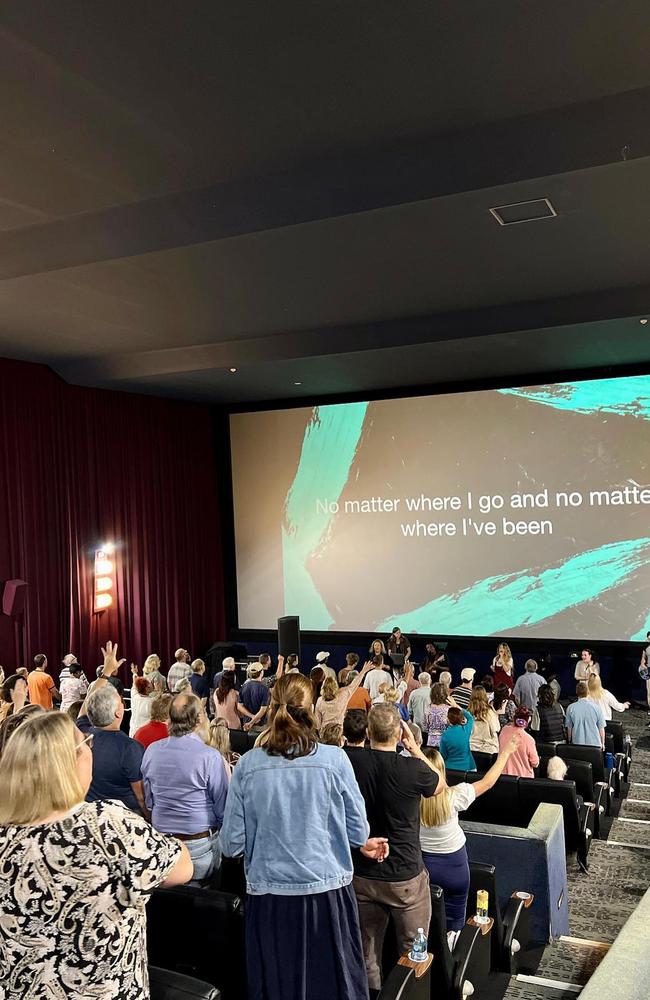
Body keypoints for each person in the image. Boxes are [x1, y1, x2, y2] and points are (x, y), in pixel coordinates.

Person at [0, 710, 192, 1000]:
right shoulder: (108, 824)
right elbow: (182, 869)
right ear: (69, 763)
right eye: (86, 744)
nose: (91, 750)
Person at [221, 673, 388, 1000]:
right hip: (326, 897)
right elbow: (358, 831)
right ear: (311, 708)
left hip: (269, 899)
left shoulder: (248, 765)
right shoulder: (335, 759)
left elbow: (231, 845)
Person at [347, 705, 443, 994]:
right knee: (414, 953)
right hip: (405, 879)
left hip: (362, 875)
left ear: (367, 732)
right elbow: (440, 785)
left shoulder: (349, 763)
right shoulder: (413, 768)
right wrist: (415, 749)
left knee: (367, 954)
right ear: (400, 733)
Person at [420, 733, 520, 947]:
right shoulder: (455, 796)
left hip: (424, 868)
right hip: (455, 868)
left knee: (426, 919)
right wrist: (505, 753)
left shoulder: (407, 801)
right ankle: (453, 957)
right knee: (455, 922)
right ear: (441, 770)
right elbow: (488, 781)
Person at [142, 693, 228, 884]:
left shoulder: (152, 751)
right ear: (199, 719)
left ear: (170, 718)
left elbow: (150, 801)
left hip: (162, 844)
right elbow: (222, 807)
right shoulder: (210, 757)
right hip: (199, 848)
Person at [78, 682, 148, 817]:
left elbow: (83, 710)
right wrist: (151, 823)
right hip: (124, 817)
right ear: (118, 713)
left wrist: (106, 672)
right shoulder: (131, 748)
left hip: (90, 813)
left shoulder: (83, 734)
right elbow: (141, 797)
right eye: (121, 702)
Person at [315, 660, 373, 733]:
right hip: (338, 732)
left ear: (323, 687)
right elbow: (354, 684)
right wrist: (363, 671)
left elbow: (317, 723)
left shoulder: (320, 700)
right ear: (335, 686)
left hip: (324, 733)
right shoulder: (343, 694)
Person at [499, 707, 539, 777]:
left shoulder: (503, 730)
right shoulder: (529, 739)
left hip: (503, 777)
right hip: (523, 779)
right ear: (528, 721)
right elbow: (535, 763)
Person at [565, 681, 606, 748]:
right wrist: (603, 743)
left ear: (576, 692)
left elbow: (569, 728)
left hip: (577, 745)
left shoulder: (570, 708)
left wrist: (569, 741)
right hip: (594, 746)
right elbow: (601, 728)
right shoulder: (596, 708)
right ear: (588, 692)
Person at [468, 685, 500, 763]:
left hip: (471, 750)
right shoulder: (490, 713)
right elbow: (497, 728)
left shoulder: (467, 713)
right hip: (488, 751)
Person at [238, 661, 272, 731]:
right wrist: (252, 721)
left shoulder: (243, 687)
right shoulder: (264, 689)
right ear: (261, 673)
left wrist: (251, 718)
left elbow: (239, 706)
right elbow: (263, 710)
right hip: (260, 726)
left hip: (246, 725)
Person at [424, 681, 453, 747]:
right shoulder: (449, 709)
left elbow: (425, 726)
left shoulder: (428, 708)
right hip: (445, 742)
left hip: (431, 741)